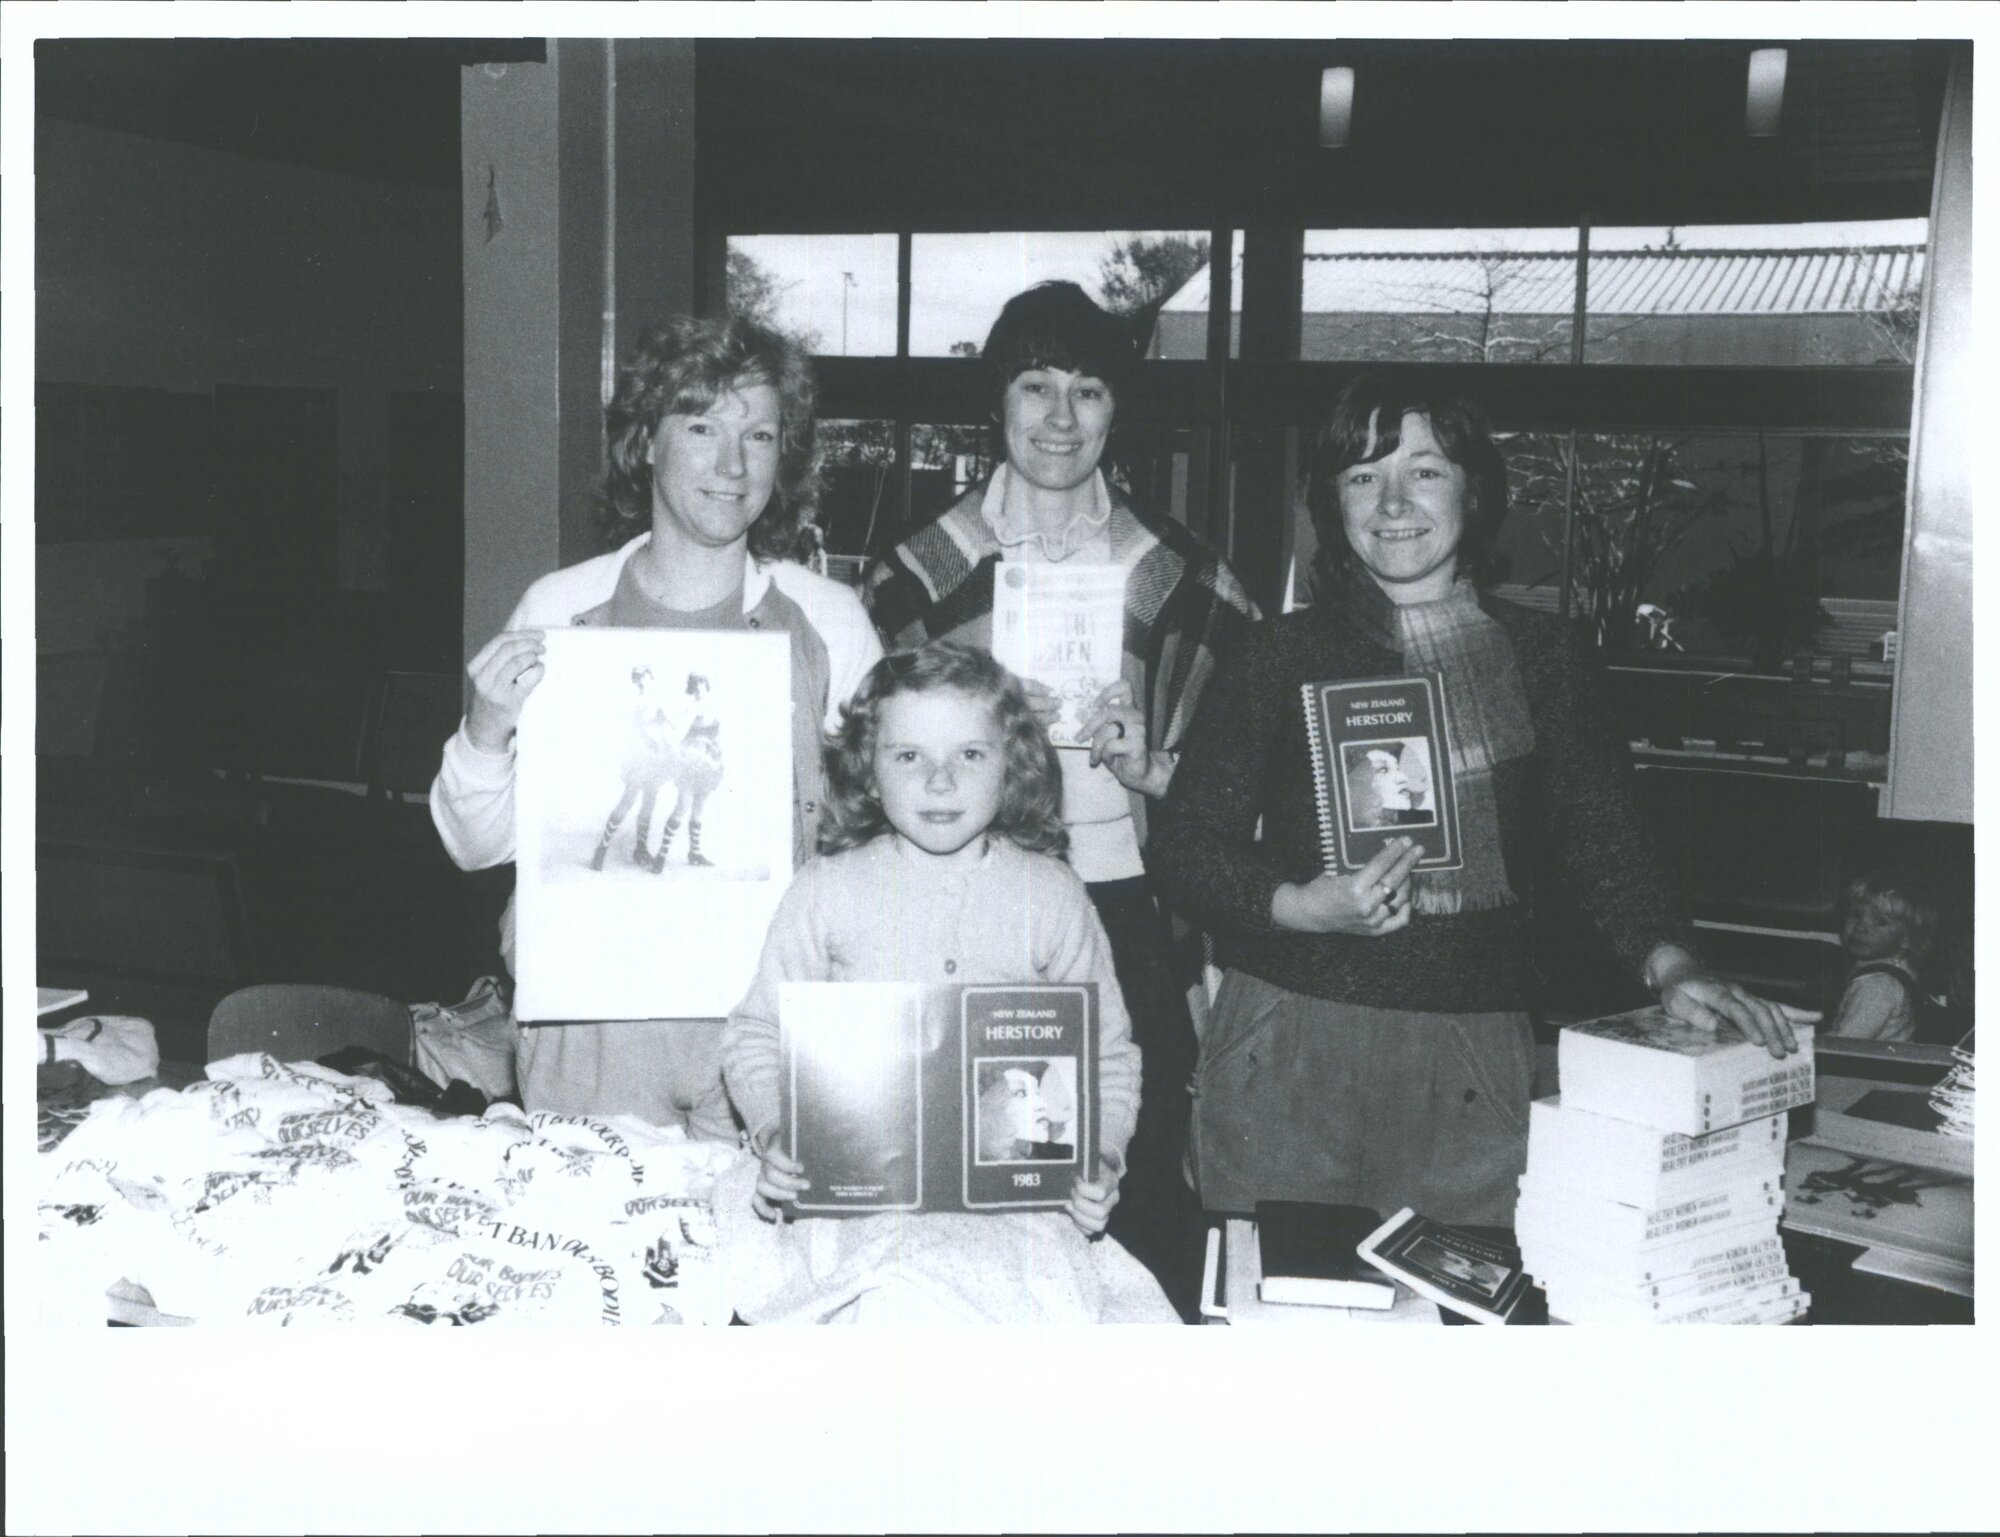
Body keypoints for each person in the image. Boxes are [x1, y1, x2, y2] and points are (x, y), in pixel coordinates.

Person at [1148, 371, 1817, 1226]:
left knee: (1459, 1341)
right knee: (1280, 1338)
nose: (1392, 501)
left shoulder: (1545, 655)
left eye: (1424, 470)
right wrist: (1298, 906)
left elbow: (1601, 834)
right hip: (1287, 1037)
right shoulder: (1277, 653)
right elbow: (1184, 845)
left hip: (1469, 1055)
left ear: (1474, 489)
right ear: (1333, 500)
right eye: (1362, 475)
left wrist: (1670, 961)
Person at [864, 281, 1257, 1317]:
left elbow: (1249, 787)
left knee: (1127, 1166)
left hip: (1128, 908)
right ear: (995, 403)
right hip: (963, 908)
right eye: (1033, 386)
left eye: (1086, 390)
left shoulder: (1179, 576)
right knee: (961, 1167)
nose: (1057, 417)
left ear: (1117, 409)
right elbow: (861, 773)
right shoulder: (917, 576)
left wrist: (1156, 768)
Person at [430, 314, 882, 1132]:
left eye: (760, 434)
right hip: (591, 1025)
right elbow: (476, 845)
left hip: (762, 1023)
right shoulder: (561, 608)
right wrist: (485, 730)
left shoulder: (830, 620)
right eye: (702, 425)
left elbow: (879, 838)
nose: (731, 463)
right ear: (646, 441)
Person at [717, 642, 1173, 1323]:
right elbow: (755, 1034)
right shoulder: (825, 890)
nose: (940, 781)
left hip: (1014, 1217)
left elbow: (1106, 1055)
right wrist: (778, 1132)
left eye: (969, 754)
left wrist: (1101, 1157)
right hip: (856, 1211)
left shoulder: (1051, 893)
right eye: (908, 756)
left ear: (1012, 764)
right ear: (869, 770)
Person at [1828, 868, 1938, 1042]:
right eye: (1856, 915)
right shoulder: (1897, 969)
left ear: (1907, 938)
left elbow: (1846, 1043)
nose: (1860, 927)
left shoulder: (1877, 985)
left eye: (1880, 922)